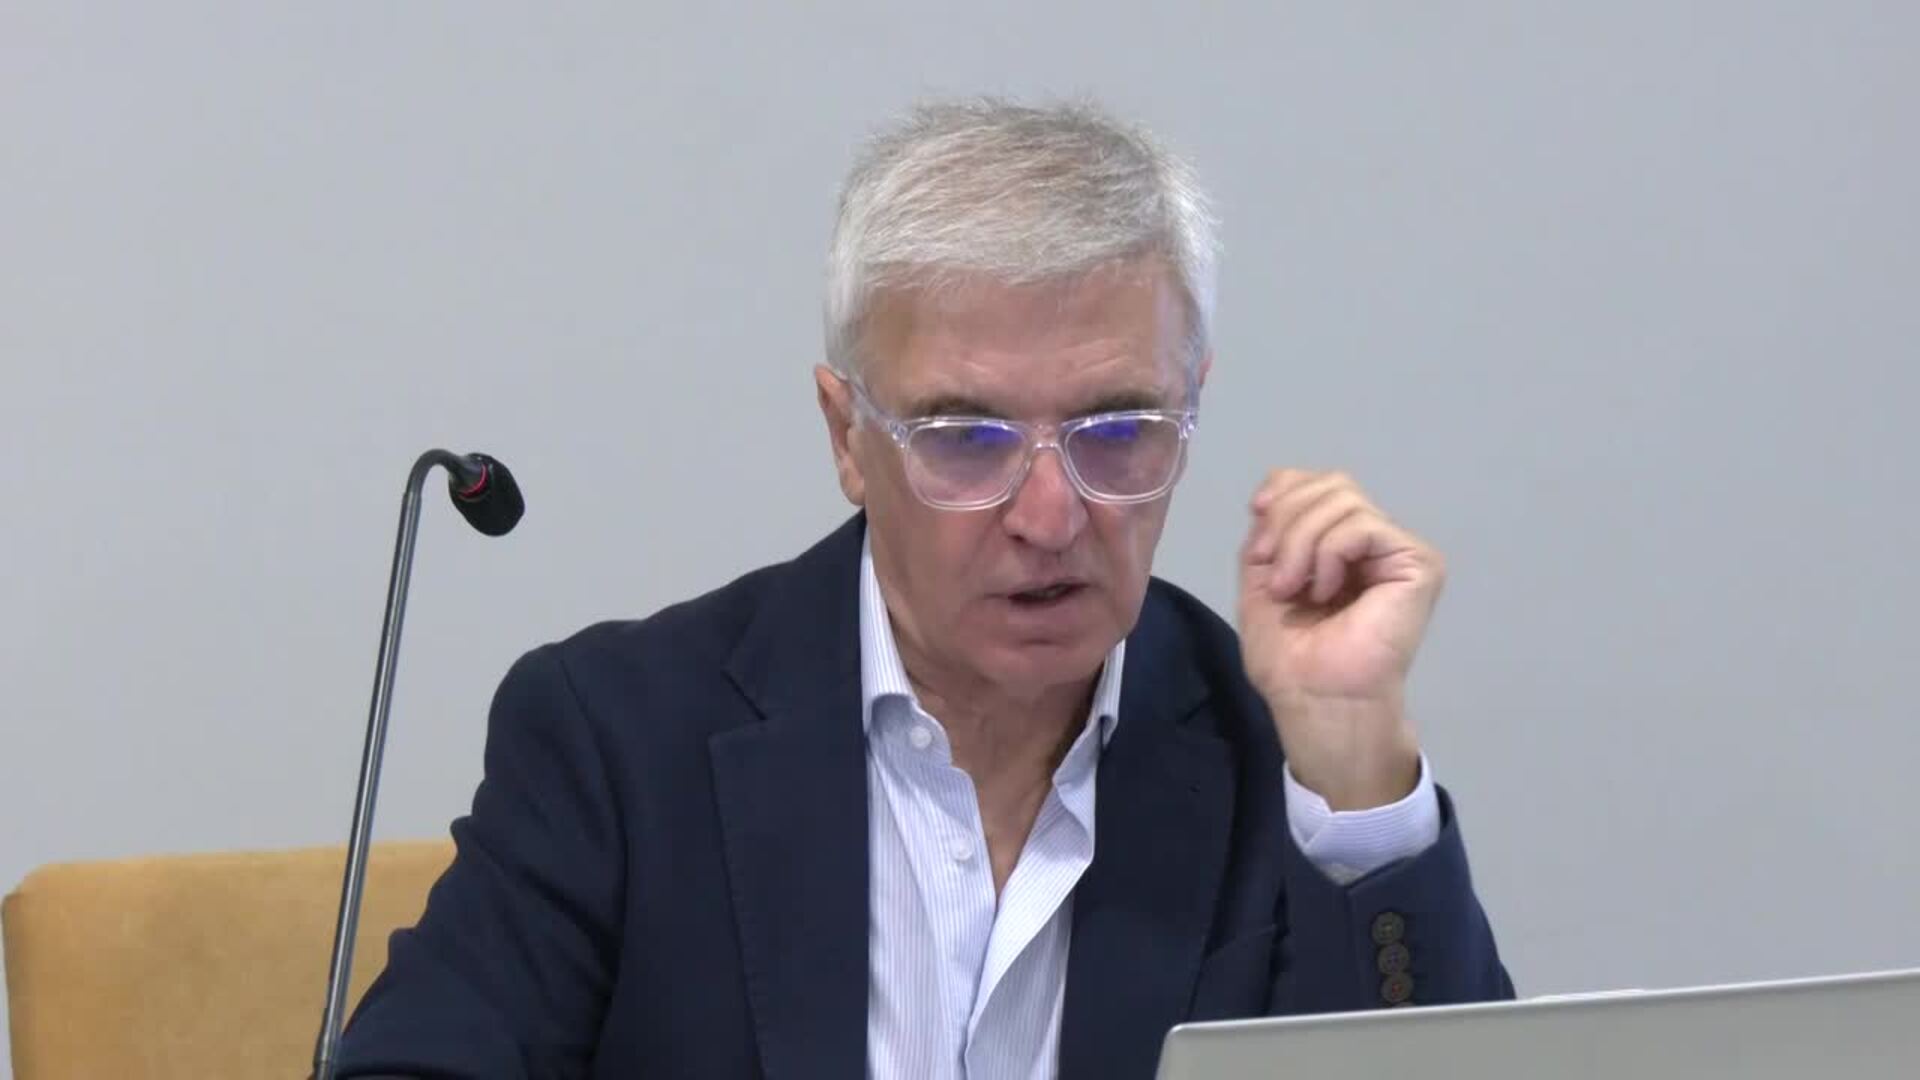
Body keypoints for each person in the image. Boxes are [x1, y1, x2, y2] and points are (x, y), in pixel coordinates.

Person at [337, 98, 1513, 1080]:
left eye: (1115, 431)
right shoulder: (622, 740)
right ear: (848, 437)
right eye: (966, 438)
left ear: (1190, 409)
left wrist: (1358, 771)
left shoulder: (1282, 759)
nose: (1050, 517)